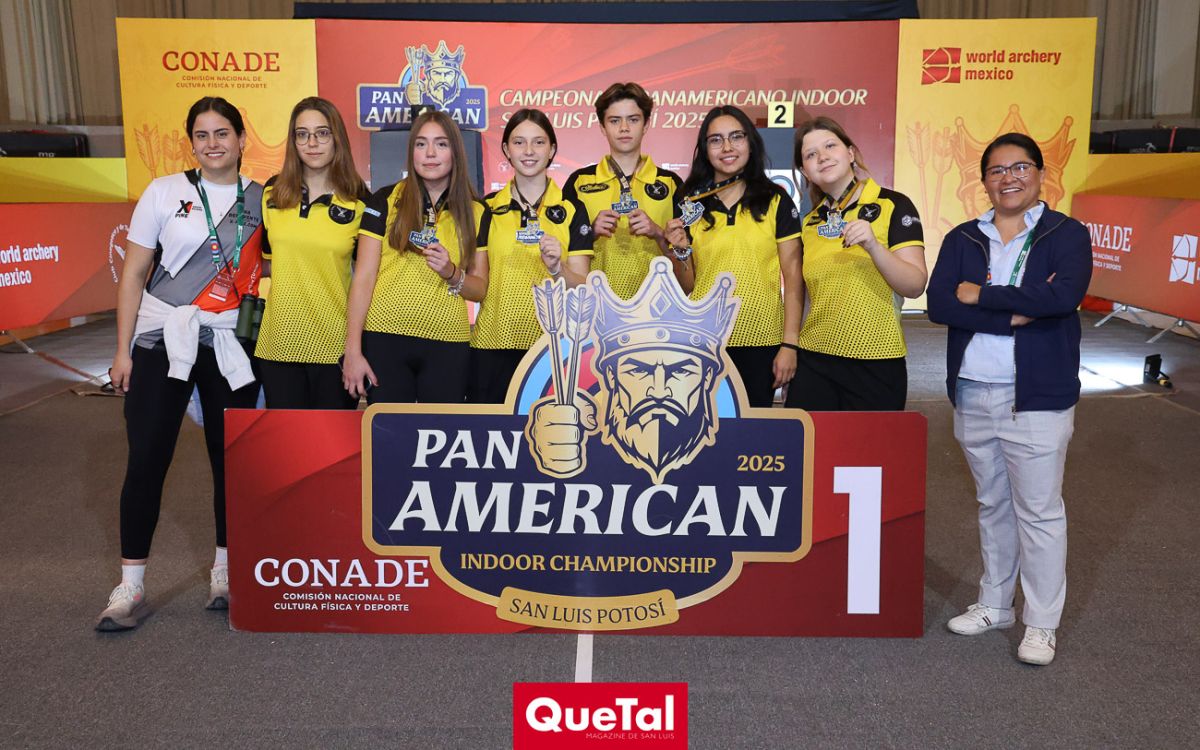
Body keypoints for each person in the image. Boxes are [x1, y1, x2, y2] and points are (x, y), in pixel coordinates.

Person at [97, 96, 265, 631]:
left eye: (222, 133)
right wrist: (122, 350)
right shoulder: (165, 191)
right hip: (160, 337)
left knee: (231, 461)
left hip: (229, 342)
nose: (212, 144)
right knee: (147, 457)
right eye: (202, 135)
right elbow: (133, 274)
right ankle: (130, 586)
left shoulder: (262, 199)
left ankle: (225, 573)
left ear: (242, 139)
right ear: (190, 142)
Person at [927, 132, 1092, 666]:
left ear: (1041, 174)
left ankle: (1041, 623)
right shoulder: (963, 237)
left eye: (1020, 167)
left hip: (1037, 396)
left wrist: (982, 295)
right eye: (997, 170)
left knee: (1039, 512)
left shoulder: (1066, 234)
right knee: (992, 504)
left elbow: (1062, 296)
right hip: (973, 389)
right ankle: (995, 605)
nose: (1009, 178)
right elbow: (939, 304)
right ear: (984, 181)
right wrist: (1013, 313)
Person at [341, 109, 486, 404]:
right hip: (384, 338)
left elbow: (479, 289)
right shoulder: (383, 200)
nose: (430, 153)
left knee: (441, 432)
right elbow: (364, 277)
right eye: (421, 144)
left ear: (456, 152)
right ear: (412, 152)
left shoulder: (477, 211)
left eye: (441, 144)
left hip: (448, 342)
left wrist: (451, 272)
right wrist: (353, 350)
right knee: (388, 432)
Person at [663, 105, 803, 408]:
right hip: (704, 341)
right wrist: (680, 250)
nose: (727, 147)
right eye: (716, 140)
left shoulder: (775, 199)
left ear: (751, 143)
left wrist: (789, 344)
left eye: (736, 137)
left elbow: (793, 279)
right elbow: (687, 286)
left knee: (753, 431)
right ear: (705, 149)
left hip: (762, 341)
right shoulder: (689, 201)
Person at [784, 117, 927, 411]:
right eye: (811, 154)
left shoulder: (892, 204)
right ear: (805, 171)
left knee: (870, 443)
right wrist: (791, 350)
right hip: (814, 360)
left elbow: (915, 286)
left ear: (850, 153)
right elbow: (806, 297)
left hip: (876, 360)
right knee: (808, 441)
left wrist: (874, 246)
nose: (822, 157)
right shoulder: (809, 223)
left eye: (830, 146)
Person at [469, 109, 594, 404]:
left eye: (538, 142)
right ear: (506, 150)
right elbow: (478, 284)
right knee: (491, 432)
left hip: (553, 348)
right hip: (491, 345)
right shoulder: (486, 208)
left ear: (552, 150)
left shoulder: (572, 209)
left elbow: (584, 287)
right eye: (519, 142)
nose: (528, 151)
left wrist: (557, 268)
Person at [255, 97, 367, 409]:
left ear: (337, 138)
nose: (312, 143)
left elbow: (368, 280)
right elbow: (266, 264)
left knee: (331, 442)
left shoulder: (359, 200)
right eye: (302, 134)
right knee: (286, 441)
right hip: (278, 347)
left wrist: (357, 347)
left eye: (322, 133)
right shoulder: (271, 193)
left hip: (336, 349)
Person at [563, 82, 681, 299]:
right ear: (602, 127)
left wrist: (658, 233)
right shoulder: (579, 182)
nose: (624, 128)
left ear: (646, 124)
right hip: (595, 305)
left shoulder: (671, 183)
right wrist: (589, 232)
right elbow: (560, 251)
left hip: (657, 306)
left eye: (633, 120)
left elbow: (688, 257)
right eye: (614, 120)